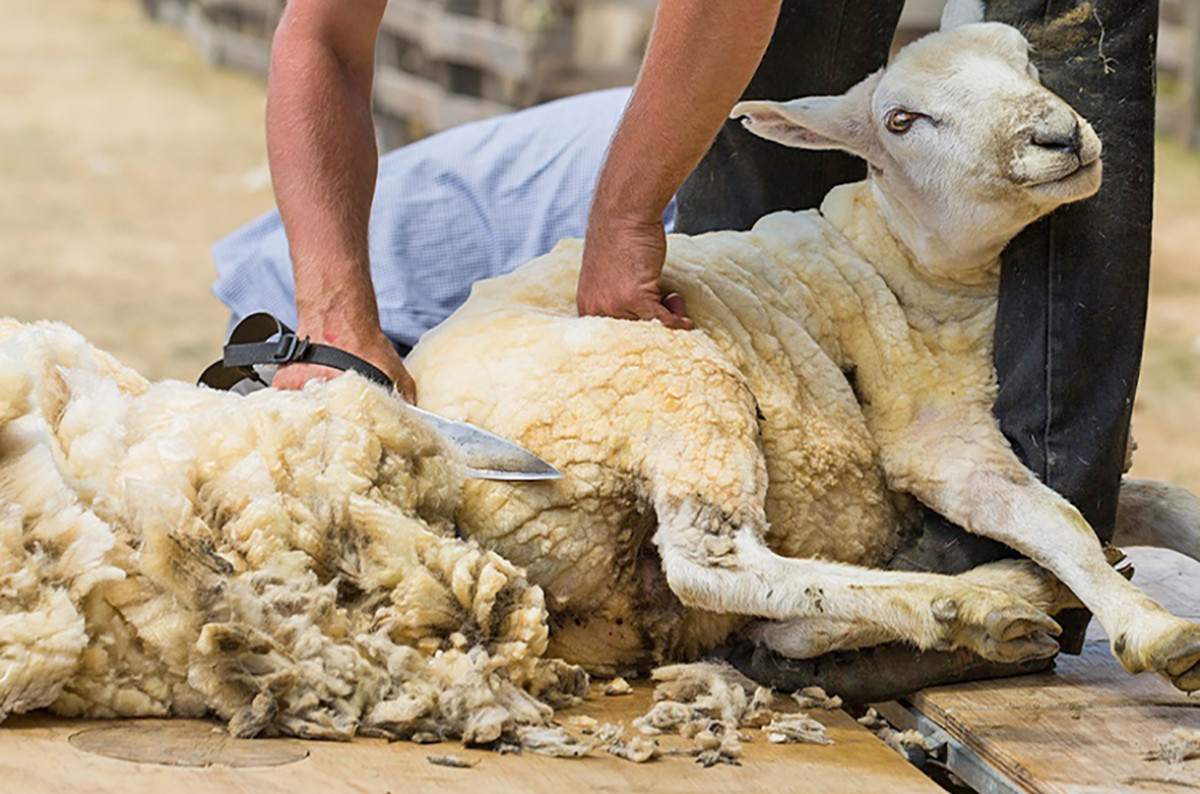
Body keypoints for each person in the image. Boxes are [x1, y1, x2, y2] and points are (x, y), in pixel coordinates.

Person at [215, 0, 1159, 695]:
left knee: (1065, 53)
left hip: (594, 207)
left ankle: (1036, 540)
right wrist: (336, 320)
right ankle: (784, 556)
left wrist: (625, 217)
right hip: (462, 286)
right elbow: (319, 37)